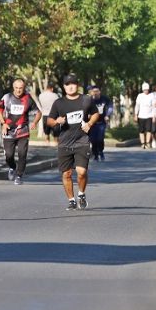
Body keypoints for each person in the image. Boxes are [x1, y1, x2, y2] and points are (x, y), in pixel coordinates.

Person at [47, 74, 100, 210]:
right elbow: (49, 120)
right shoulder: (59, 103)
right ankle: (71, 200)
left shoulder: (86, 99)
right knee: (67, 174)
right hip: (64, 143)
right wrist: (56, 121)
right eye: (67, 84)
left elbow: (95, 113)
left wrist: (89, 123)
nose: (70, 86)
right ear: (64, 87)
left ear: (77, 85)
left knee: (81, 172)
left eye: (73, 84)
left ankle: (81, 194)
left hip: (82, 141)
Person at [0, 78, 42, 185]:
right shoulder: (6, 97)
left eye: (20, 88)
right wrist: (3, 123)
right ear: (13, 88)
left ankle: (19, 175)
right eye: (16, 88)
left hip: (23, 131)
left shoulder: (28, 98)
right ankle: (12, 167)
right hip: (8, 131)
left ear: (24, 88)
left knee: (22, 154)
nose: (18, 90)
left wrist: (34, 122)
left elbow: (38, 113)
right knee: (9, 155)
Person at [89, 85, 113, 161]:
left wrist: (107, 115)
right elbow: (84, 108)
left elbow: (110, 107)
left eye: (97, 91)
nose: (95, 93)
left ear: (99, 92)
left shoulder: (104, 99)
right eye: (94, 92)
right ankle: (95, 155)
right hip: (92, 123)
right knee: (93, 140)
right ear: (91, 92)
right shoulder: (89, 100)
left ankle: (101, 151)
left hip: (101, 122)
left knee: (100, 138)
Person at [134, 82, 154, 149]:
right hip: (141, 115)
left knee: (148, 130)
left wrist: (153, 115)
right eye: (145, 90)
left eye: (147, 90)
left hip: (149, 115)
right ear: (143, 90)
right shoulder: (140, 96)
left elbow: (153, 106)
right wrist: (136, 115)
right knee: (141, 130)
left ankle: (147, 142)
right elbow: (137, 106)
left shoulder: (151, 95)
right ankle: (143, 143)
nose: (146, 91)